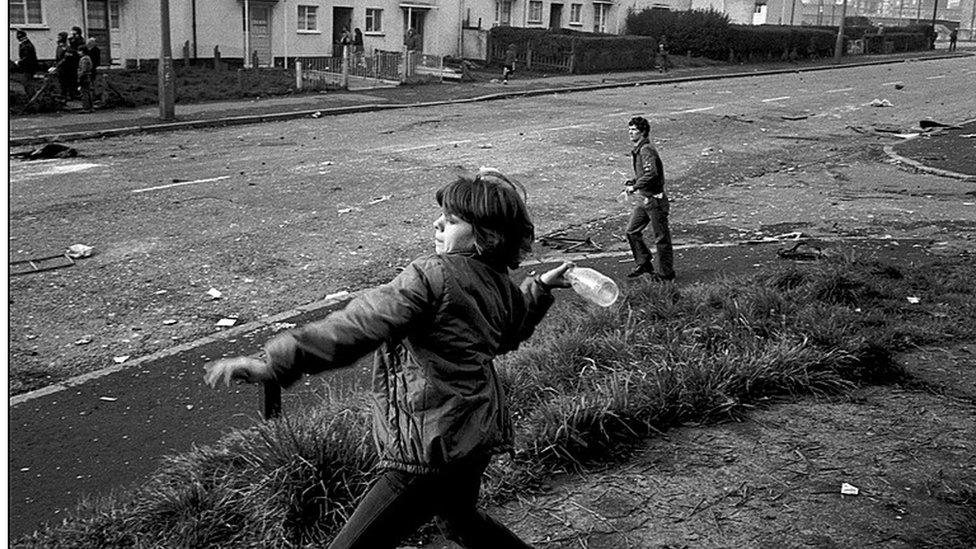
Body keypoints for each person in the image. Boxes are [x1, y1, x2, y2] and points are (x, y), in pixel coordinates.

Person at [203, 168, 574, 549]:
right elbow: (510, 333)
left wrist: (276, 363)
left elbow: (358, 325)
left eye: (451, 221)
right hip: (473, 434)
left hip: (428, 447)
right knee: (460, 522)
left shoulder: (430, 274)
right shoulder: (499, 282)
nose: (437, 224)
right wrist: (541, 287)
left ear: (486, 235)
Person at [621, 116, 674, 281]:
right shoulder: (639, 149)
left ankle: (666, 273)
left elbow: (652, 174)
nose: (630, 133)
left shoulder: (646, 150)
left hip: (655, 200)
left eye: (634, 130)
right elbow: (645, 174)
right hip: (645, 199)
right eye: (629, 129)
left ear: (642, 132)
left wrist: (634, 187)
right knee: (632, 230)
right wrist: (635, 181)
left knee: (661, 237)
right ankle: (644, 262)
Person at [13, 29, 39, 99]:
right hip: (28, 67)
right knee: (27, 83)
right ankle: (32, 97)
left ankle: (33, 98)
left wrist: (19, 62)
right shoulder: (25, 44)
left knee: (27, 83)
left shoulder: (26, 45)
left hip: (28, 67)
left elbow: (27, 57)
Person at [77, 45, 94, 112]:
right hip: (87, 76)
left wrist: (79, 77)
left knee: (84, 93)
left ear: (83, 51)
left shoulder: (84, 59)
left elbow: (84, 70)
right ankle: (90, 107)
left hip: (84, 77)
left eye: (79, 51)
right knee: (88, 92)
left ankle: (86, 107)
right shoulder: (87, 58)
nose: (78, 52)